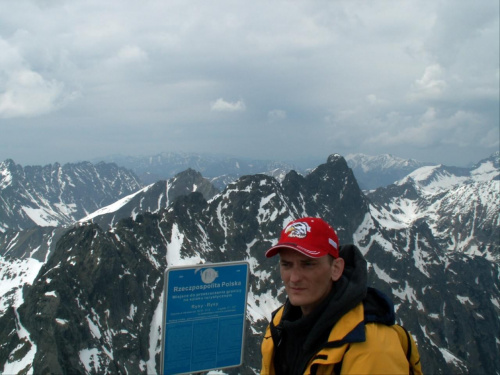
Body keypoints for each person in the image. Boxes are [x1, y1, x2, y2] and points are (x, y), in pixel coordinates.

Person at [261, 217, 422, 375]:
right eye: (286, 265)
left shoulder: (373, 348)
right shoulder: (280, 324)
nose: (294, 278)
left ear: (336, 269)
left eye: (308, 264)